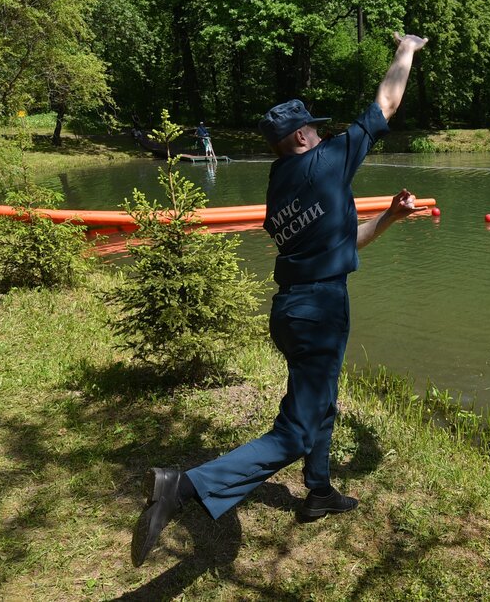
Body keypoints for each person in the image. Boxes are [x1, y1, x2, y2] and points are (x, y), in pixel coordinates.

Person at [131, 31, 429, 568]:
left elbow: (345, 238)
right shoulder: (326, 161)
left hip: (292, 310)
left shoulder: (280, 182)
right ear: (300, 138)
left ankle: (318, 491)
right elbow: (386, 102)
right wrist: (406, 49)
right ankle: (186, 485)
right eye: (313, 127)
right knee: (295, 429)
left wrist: (389, 218)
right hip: (318, 312)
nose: (321, 131)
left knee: (320, 400)